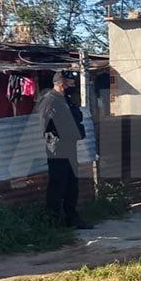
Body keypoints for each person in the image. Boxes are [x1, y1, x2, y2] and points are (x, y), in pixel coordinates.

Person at [38, 71, 93, 230]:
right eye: (71, 84)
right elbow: (45, 129)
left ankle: (72, 218)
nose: (73, 87)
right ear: (62, 84)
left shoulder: (66, 100)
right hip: (57, 151)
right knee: (57, 185)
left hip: (70, 147)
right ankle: (52, 222)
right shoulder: (49, 101)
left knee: (72, 184)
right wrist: (55, 149)